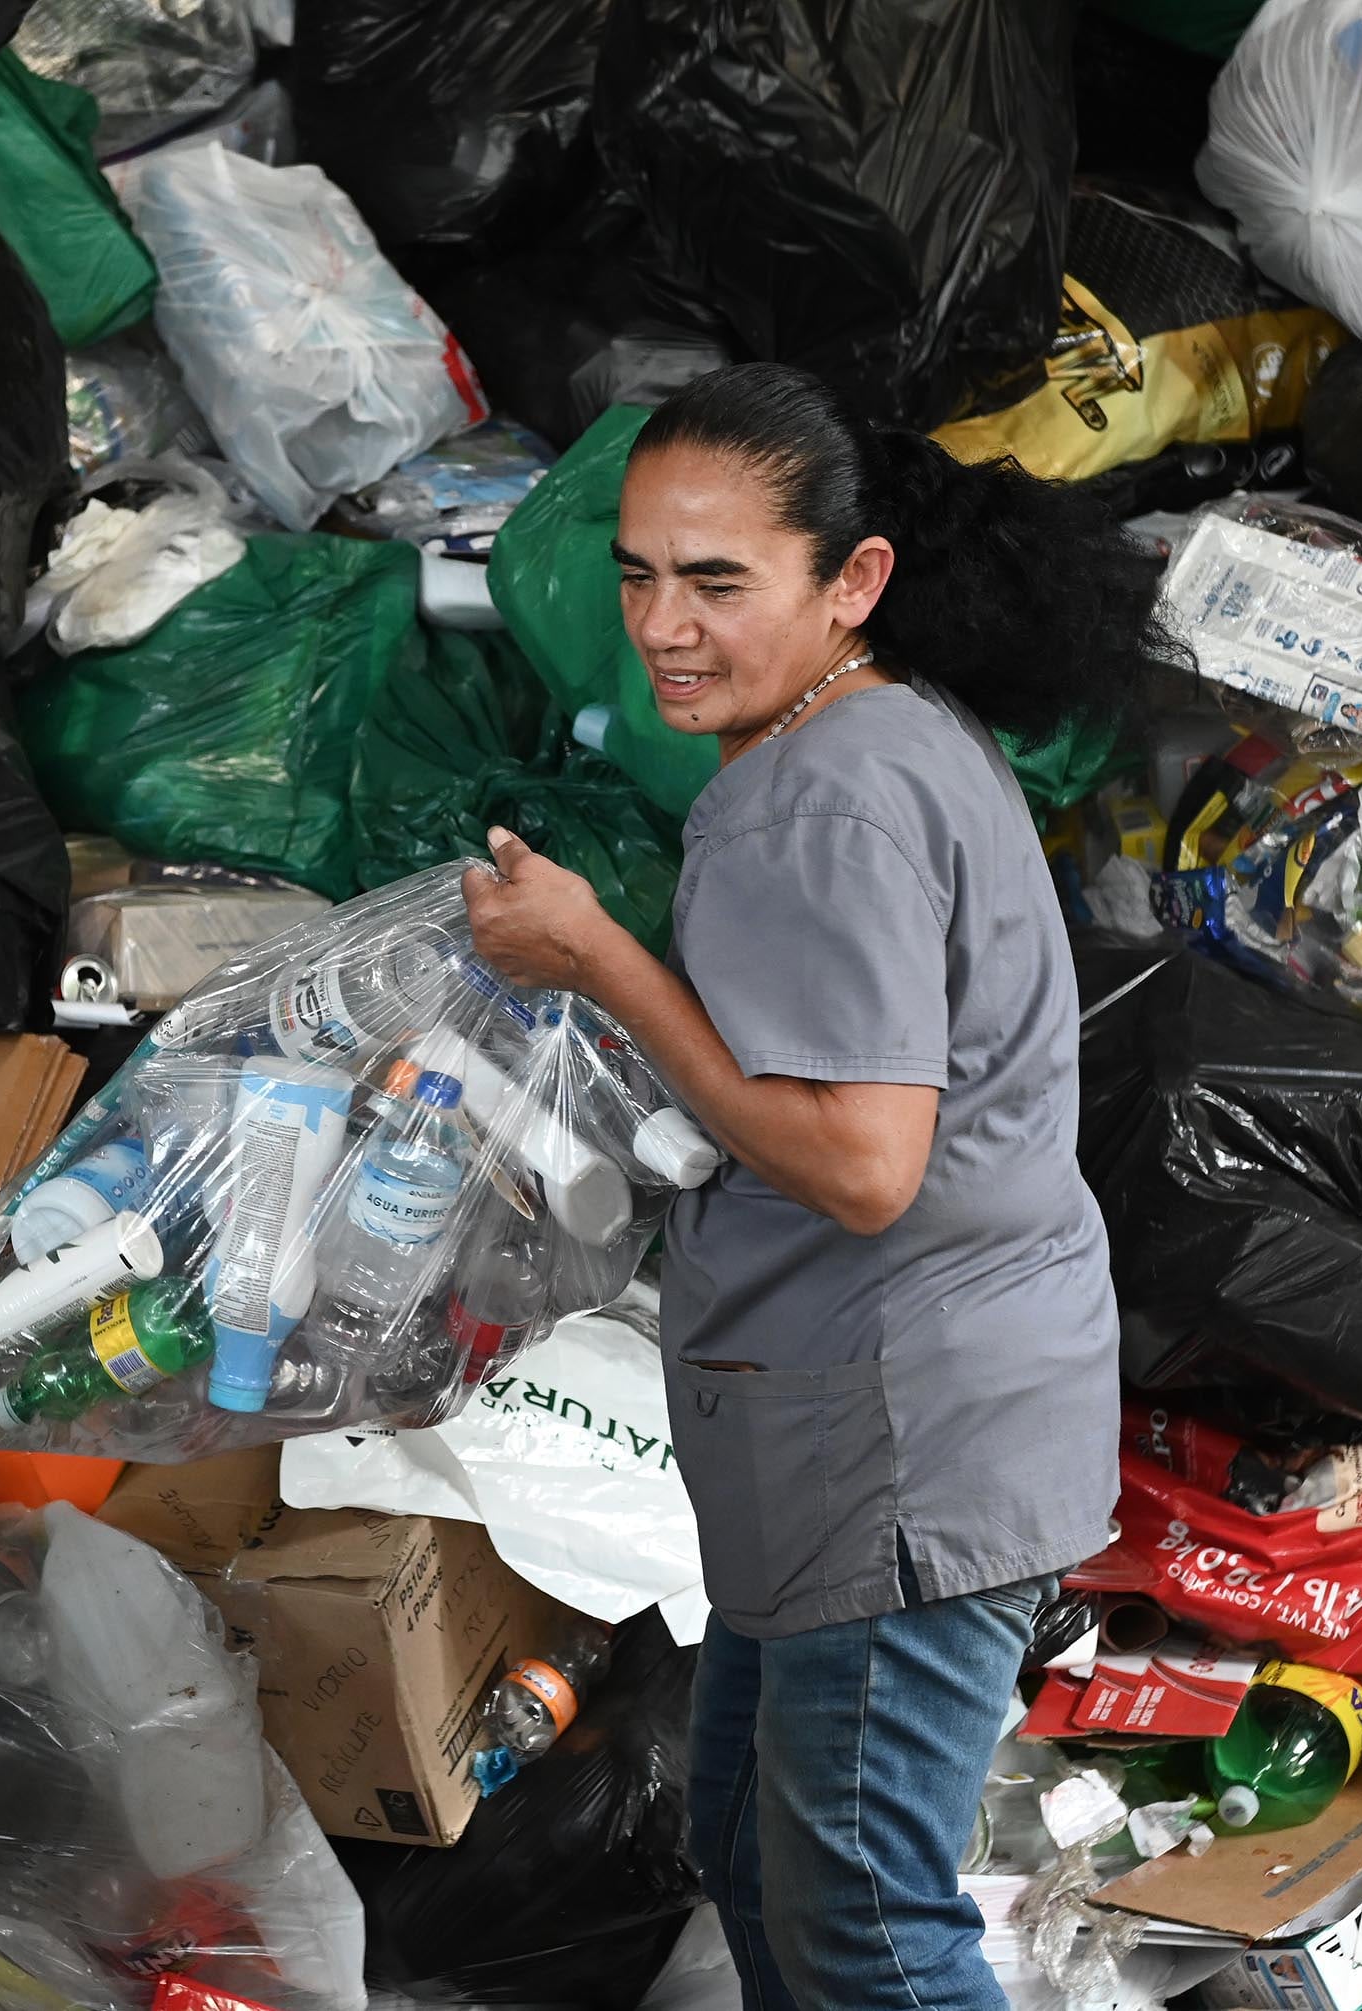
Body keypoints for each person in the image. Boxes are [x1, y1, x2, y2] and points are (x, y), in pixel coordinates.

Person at [462, 362, 1174, 2011]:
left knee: (859, 1922)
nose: (663, 625)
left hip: (901, 1442)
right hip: (858, 1435)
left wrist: (598, 961)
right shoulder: (856, 738)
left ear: (854, 582)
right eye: (639, 573)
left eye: (720, 582)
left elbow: (863, 1161)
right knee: (760, 1856)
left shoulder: (827, 798)